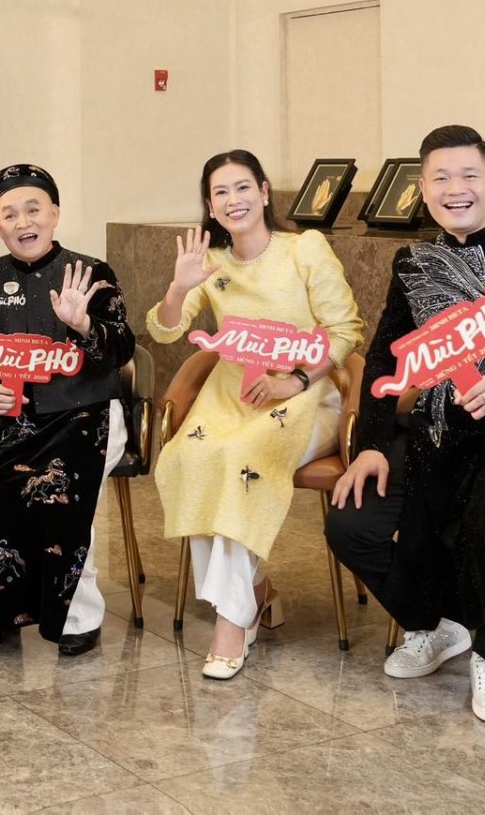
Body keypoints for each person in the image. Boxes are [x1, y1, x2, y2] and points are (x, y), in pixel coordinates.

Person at [326, 125, 485, 725]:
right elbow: (385, 356)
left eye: (469, 175)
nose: (455, 188)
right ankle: (435, 625)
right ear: (423, 189)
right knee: (351, 524)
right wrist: (372, 445)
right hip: (435, 433)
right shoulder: (413, 263)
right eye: (440, 177)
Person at [148, 150, 365, 679]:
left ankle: (232, 622)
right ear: (210, 206)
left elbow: (346, 331)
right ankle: (255, 591)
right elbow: (164, 330)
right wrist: (179, 287)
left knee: (240, 458)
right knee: (190, 457)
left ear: (264, 192)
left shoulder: (304, 248)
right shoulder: (210, 263)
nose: (234, 200)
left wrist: (295, 380)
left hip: (304, 393)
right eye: (220, 193)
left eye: (243, 187)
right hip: (230, 396)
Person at [0, 164, 136, 656]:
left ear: (55, 213)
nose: (23, 221)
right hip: (14, 415)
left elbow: (122, 349)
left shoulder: (92, 272)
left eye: (33, 209)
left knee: (63, 494)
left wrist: (83, 326)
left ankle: (79, 616)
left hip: (85, 412)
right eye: (8, 214)